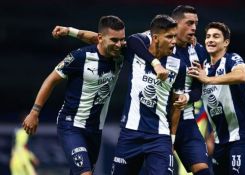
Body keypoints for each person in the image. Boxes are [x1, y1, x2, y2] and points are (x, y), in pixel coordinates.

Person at [52, 5, 211, 175]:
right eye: (190, 23)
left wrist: (189, 94)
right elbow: (106, 41)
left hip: (178, 122)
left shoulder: (197, 52)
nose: (194, 28)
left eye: (196, 23)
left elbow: (197, 89)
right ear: (174, 25)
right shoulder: (141, 46)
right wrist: (71, 31)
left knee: (202, 169)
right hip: (137, 129)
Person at [22, 15, 127, 175]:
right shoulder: (79, 57)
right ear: (101, 38)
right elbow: (51, 80)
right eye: (114, 40)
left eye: (122, 40)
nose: (119, 44)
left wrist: (70, 31)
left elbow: (95, 38)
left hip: (95, 130)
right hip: (71, 126)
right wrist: (35, 112)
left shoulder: (120, 53)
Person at [110, 14, 188, 175]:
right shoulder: (136, 52)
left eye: (175, 36)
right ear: (156, 38)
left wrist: (172, 139)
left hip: (160, 137)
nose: (174, 41)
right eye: (169, 37)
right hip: (130, 134)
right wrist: (155, 63)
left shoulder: (179, 66)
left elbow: (176, 106)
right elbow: (127, 40)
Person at [188, 21, 245, 175]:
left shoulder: (231, 59)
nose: (210, 39)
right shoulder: (202, 67)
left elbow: (243, 74)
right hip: (219, 141)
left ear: (226, 42)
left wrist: (208, 80)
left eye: (216, 36)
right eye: (208, 36)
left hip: (240, 138)